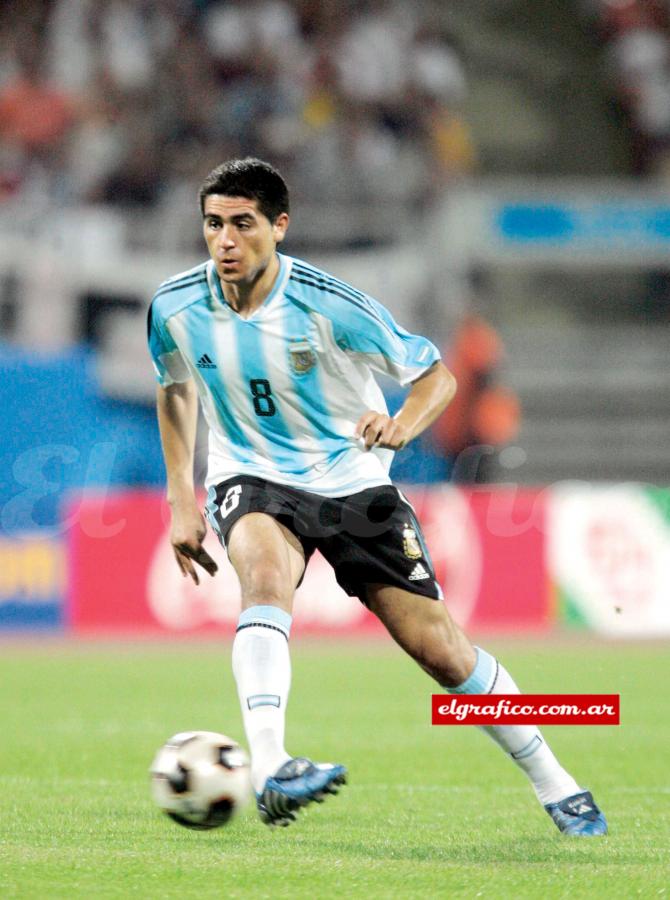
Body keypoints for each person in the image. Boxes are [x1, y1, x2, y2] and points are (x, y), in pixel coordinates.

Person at [147, 157, 607, 834]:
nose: (224, 241)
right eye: (213, 224)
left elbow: (436, 379)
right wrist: (181, 498)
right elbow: (176, 385)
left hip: (352, 482)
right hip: (252, 475)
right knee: (265, 577)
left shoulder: (330, 305)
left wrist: (399, 425)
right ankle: (272, 765)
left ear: (279, 226)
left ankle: (556, 783)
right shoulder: (177, 305)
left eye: (242, 224)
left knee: (441, 651)